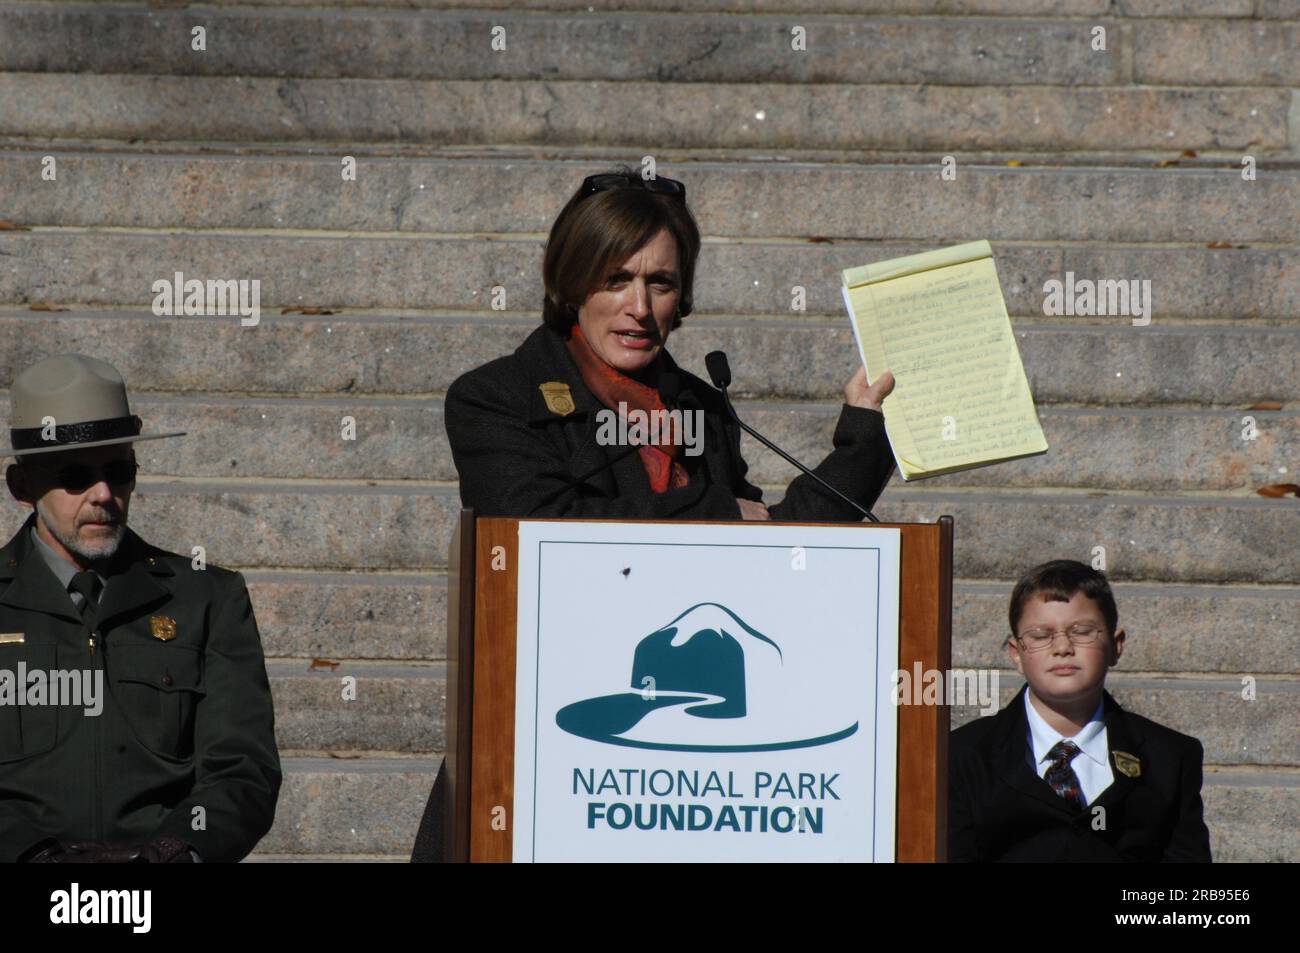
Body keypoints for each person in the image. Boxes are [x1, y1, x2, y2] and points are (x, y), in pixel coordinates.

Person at [411, 165, 897, 860]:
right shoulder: (497, 397)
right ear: (571, 282)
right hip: (547, 733)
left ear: (682, 298)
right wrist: (723, 515)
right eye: (615, 279)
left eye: (660, 283)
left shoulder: (702, 406)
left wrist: (864, 433)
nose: (638, 306)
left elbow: (776, 554)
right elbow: (553, 541)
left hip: (689, 762)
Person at [0, 354, 281, 862]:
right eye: (75, 475)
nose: (104, 494)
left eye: (119, 471)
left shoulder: (206, 597)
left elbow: (242, 768)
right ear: (22, 488)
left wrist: (177, 853)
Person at [948, 559, 1212, 862]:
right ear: (1016, 654)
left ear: (1116, 646)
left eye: (1083, 631)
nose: (1062, 647)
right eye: (1040, 635)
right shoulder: (963, 756)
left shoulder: (1168, 757)